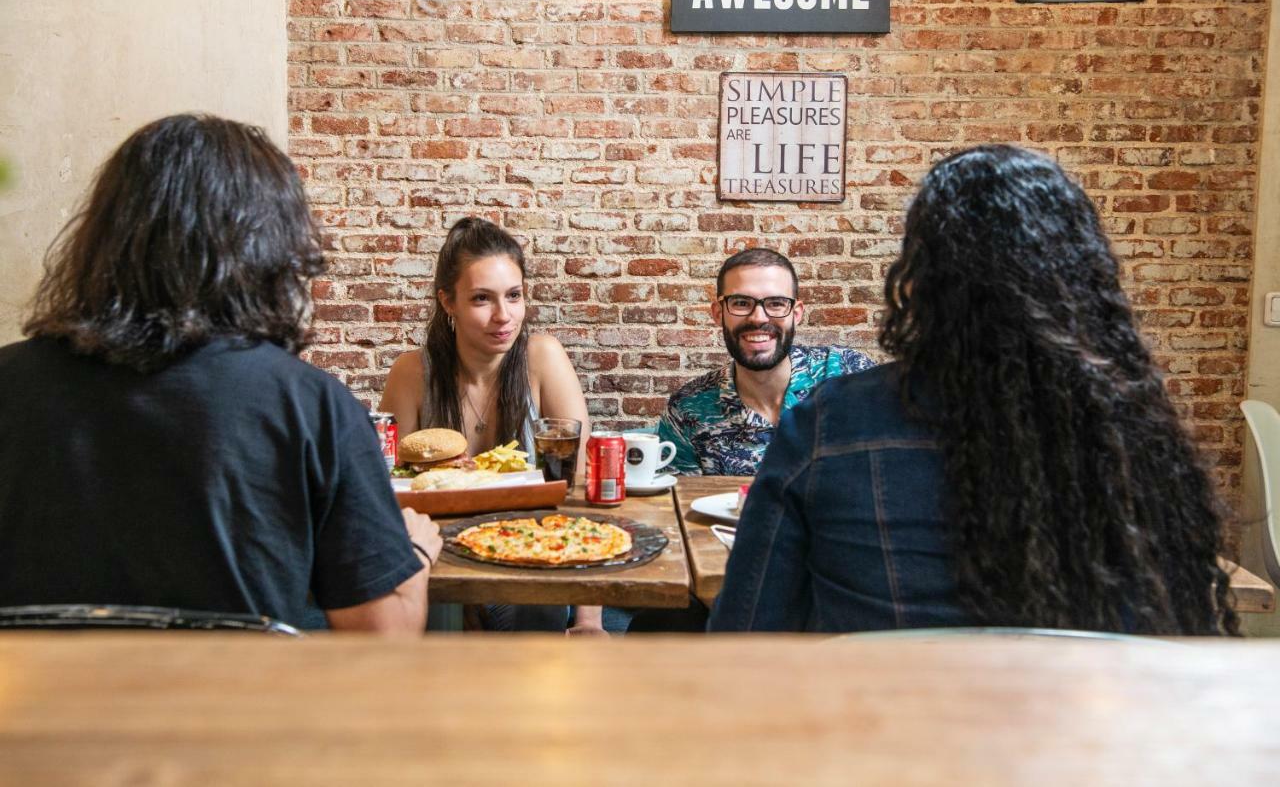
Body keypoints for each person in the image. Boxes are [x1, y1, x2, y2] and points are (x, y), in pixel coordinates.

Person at [709, 145, 1239, 636]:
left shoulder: (828, 421)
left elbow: (747, 632)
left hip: (873, 728)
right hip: (1073, 733)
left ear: (916, 281)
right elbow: (1172, 646)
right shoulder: (1132, 429)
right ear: (1081, 281)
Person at [0, 114, 439, 633]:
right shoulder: (310, 407)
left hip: (34, 712)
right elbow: (384, 642)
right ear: (271, 247)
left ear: (107, 236)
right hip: (240, 713)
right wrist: (412, 555)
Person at [380, 217, 603, 635]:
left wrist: (589, 621)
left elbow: (580, 489)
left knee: (530, 610)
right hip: (436, 568)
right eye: (482, 298)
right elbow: (387, 491)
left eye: (514, 296)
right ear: (448, 302)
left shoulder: (543, 358)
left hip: (530, 558)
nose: (504, 316)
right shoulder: (411, 373)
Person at [657, 247, 873, 476]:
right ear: (719, 313)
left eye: (776, 303)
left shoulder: (851, 375)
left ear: (796, 313)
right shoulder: (687, 410)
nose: (758, 318)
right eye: (741, 303)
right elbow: (673, 506)